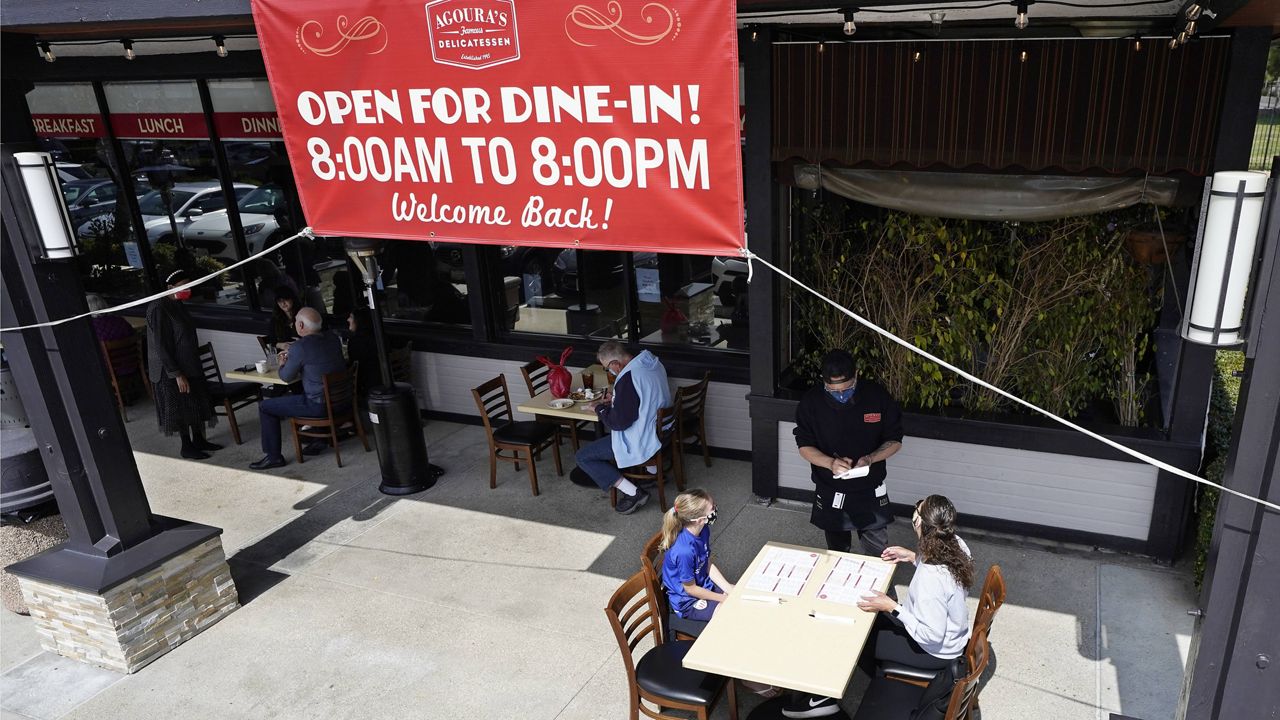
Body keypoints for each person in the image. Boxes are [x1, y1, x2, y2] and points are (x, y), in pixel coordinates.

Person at [782, 495, 974, 719]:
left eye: (917, 509)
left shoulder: (930, 580)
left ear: (918, 523)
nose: (914, 510)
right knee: (868, 618)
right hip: (952, 637)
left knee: (854, 634)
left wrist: (892, 606)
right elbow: (943, 578)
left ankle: (825, 697)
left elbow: (931, 634)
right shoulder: (957, 543)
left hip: (933, 651)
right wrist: (912, 557)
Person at [794, 349, 903, 558]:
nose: (841, 395)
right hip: (831, 486)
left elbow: (895, 441)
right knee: (837, 552)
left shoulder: (877, 396)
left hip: (870, 486)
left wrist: (870, 458)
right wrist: (830, 463)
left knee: (879, 553)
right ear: (824, 382)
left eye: (847, 389)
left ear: (857, 375)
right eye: (834, 391)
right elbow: (804, 446)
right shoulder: (811, 403)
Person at [575, 341, 671, 514]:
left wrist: (598, 408)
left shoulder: (628, 378)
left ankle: (634, 493)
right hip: (664, 431)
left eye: (607, 368)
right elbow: (642, 397)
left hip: (644, 438)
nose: (609, 371)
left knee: (583, 456)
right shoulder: (651, 362)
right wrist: (617, 399)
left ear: (615, 364)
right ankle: (654, 474)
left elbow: (619, 423)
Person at [249, 307, 346, 470]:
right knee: (306, 390)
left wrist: (282, 364)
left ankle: (273, 457)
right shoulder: (333, 338)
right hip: (343, 400)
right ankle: (319, 439)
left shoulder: (299, 347)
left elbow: (286, 377)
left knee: (265, 407)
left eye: (295, 322)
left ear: (300, 325)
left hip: (319, 405)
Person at [146, 270, 220, 460]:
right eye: (183, 285)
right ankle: (186, 446)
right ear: (171, 287)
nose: (188, 289)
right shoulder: (159, 308)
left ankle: (199, 439)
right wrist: (176, 373)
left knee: (195, 402)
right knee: (180, 407)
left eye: (189, 285)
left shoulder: (178, 304)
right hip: (170, 370)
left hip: (189, 363)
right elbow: (161, 345)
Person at [659, 489, 732, 621]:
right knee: (728, 616)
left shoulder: (703, 530)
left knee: (737, 599)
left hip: (703, 585)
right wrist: (724, 598)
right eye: (712, 508)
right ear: (699, 520)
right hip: (687, 601)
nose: (715, 508)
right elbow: (691, 589)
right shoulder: (684, 551)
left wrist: (728, 587)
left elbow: (706, 563)